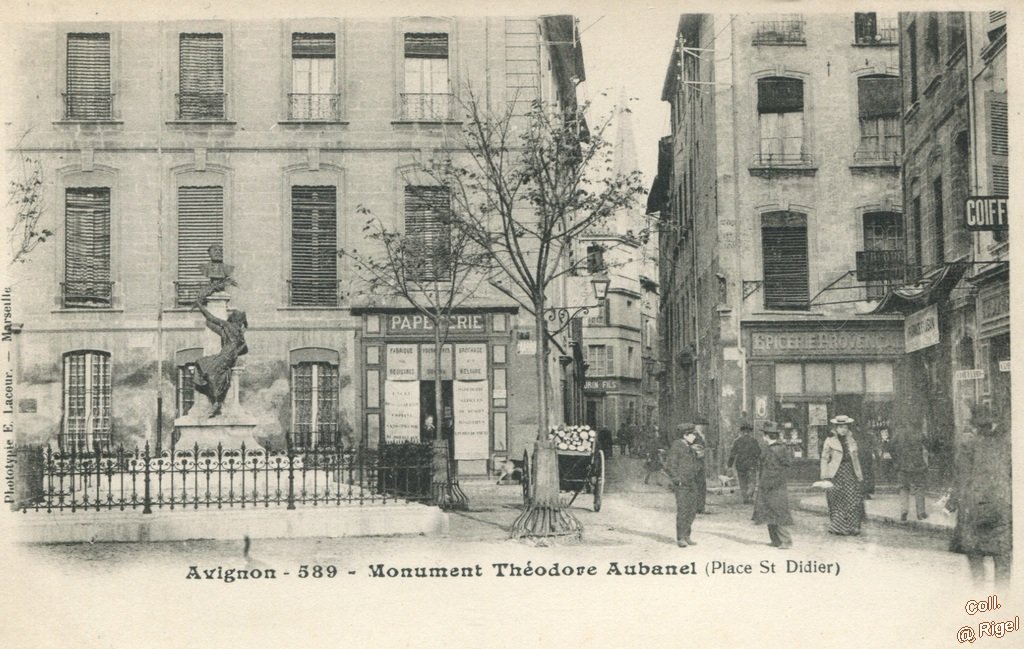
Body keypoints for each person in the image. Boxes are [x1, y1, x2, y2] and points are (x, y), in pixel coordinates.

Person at [947, 405, 1012, 587]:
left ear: (974, 426)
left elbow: (962, 479)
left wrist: (950, 505)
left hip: (974, 509)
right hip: (1003, 507)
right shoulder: (1005, 445)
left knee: (976, 560)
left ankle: (981, 603)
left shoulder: (968, 445)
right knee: (1003, 560)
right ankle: (1003, 603)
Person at [191, 289, 248, 418]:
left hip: (226, 354)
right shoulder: (238, 331)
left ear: (233, 319)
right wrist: (235, 352)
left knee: (208, 369)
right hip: (229, 355)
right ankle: (216, 401)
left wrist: (200, 306)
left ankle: (216, 403)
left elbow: (211, 318)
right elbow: (245, 348)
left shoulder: (228, 326)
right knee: (206, 366)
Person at [820, 414, 865, 535]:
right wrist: (824, 476)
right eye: (840, 427)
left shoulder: (851, 440)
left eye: (845, 427)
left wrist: (859, 475)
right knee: (837, 500)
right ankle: (838, 527)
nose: (843, 430)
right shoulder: (829, 441)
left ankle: (853, 527)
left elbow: (856, 459)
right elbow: (824, 458)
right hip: (835, 474)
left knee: (852, 499)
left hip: (850, 472)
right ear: (836, 428)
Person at [753, 421, 793, 549]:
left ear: (767, 436)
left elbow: (786, 464)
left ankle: (786, 541)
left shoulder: (777, 449)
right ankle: (775, 540)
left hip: (775, 485)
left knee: (778, 512)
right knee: (769, 511)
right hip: (768, 483)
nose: (763, 438)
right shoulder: (772, 448)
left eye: (764, 435)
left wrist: (774, 477)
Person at [665, 422, 701, 547]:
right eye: (692, 435)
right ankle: (681, 537)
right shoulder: (677, 446)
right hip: (682, 484)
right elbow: (670, 465)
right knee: (683, 510)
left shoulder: (689, 446)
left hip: (691, 482)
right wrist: (676, 479)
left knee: (692, 510)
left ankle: (687, 535)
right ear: (685, 435)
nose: (694, 437)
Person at [891, 422, 929, 522]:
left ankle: (904, 511)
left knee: (903, 488)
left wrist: (896, 461)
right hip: (917, 466)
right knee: (919, 487)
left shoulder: (898, 433)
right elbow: (929, 445)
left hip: (902, 465)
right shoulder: (919, 434)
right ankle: (921, 513)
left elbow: (890, 447)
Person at [727, 422, 761, 504]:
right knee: (752, 481)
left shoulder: (737, 441)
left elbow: (732, 454)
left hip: (740, 465)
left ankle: (745, 498)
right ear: (750, 432)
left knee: (742, 482)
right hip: (751, 464)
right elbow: (758, 453)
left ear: (742, 432)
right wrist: (759, 462)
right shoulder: (754, 441)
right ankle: (749, 495)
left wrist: (729, 465)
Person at [693, 417, 709, 513]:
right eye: (702, 426)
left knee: (701, 485)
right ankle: (698, 507)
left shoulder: (701, 435)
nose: (704, 428)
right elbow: (688, 447)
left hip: (700, 463)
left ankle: (700, 507)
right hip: (695, 463)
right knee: (698, 485)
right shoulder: (693, 435)